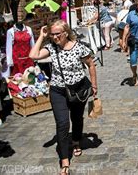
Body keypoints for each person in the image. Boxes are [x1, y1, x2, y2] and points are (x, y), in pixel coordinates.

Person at [29, 20, 97, 175]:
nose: (54, 37)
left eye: (57, 34)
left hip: (78, 90)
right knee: (62, 124)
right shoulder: (51, 48)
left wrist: (94, 86)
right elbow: (33, 55)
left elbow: (91, 65)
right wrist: (42, 36)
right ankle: (65, 159)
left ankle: (76, 141)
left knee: (77, 118)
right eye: (52, 34)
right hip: (58, 91)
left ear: (66, 33)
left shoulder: (79, 47)